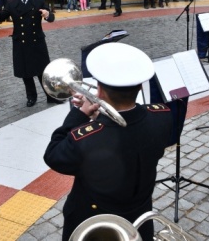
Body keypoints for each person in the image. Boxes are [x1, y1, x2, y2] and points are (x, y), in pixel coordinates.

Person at [44, 42, 173, 241]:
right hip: (140, 221)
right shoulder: (162, 115)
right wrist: (99, 120)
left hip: (95, 225)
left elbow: (53, 155)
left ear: (100, 91)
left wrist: (79, 116)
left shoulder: (85, 139)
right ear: (140, 86)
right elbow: (127, 136)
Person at [0, 0, 60, 107]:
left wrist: (47, 15)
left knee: (43, 71)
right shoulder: (11, 3)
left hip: (37, 41)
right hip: (20, 42)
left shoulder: (39, 1)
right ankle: (31, 97)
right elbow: (2, 16)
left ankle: (51, 96)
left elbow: (51, 17)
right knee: (25, 72)